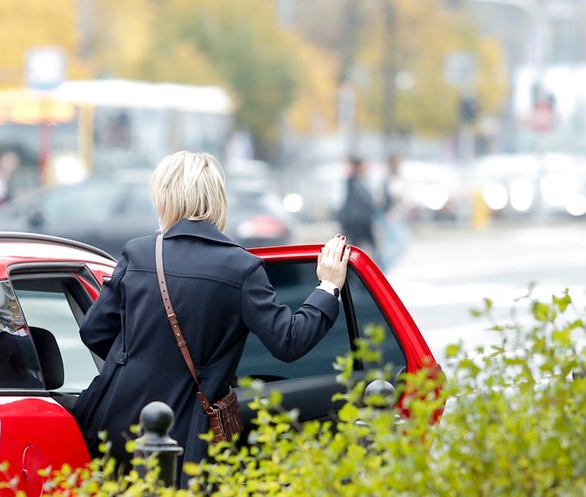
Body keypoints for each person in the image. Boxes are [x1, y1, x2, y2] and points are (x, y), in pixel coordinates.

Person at [73, 150, 351, 470]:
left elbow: (93, 331)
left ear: (166, 197)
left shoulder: (139, 253)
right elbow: (289, 341)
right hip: (186, 434)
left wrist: (139, 355)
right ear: (218, 199)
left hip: (115, 423)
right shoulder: (241, 267)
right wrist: (328, 286)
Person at [338, 155, 378, 257]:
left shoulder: (359, 181)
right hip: (356, 222)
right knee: (356, 248)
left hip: (360, 222)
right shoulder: (351, 182)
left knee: (366, 247)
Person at [378, 154, 411, 269]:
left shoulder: (398, 177)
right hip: (390, 215)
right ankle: (383, 266)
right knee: (394, 244)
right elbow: (385, 198)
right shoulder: (387, 178)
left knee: (400, 244)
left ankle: (383, 266)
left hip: (398, 215)